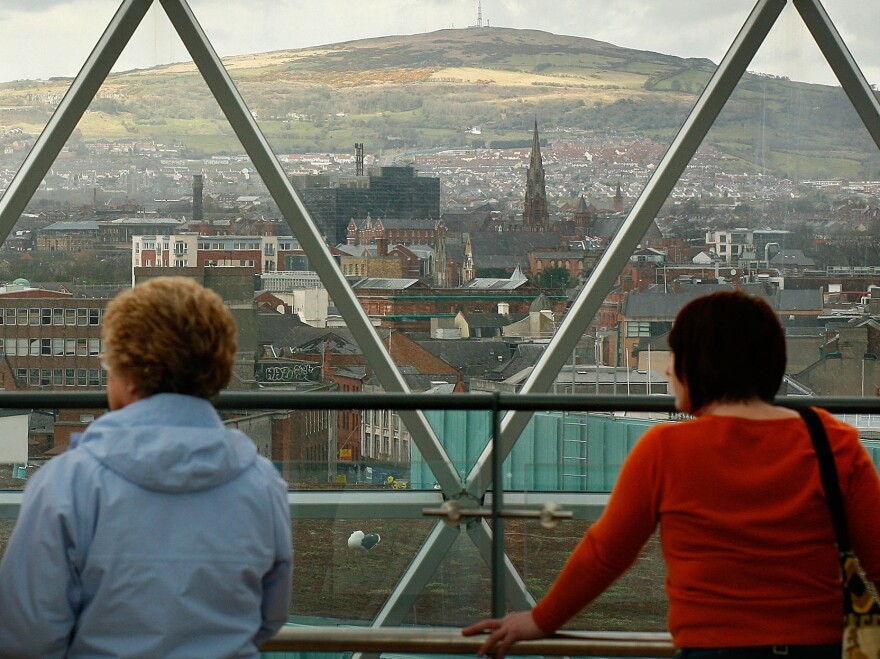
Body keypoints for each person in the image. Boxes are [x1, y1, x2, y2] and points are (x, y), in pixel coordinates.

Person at [463, 290, 880, 658]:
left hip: (713, 647)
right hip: (820, 647)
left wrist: (541, 620)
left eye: (675, 357)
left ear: (699, 365)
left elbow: (606, 554)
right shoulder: (833, 441)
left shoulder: (666, 450)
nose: (666, 370)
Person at [0, 277, 292, 658]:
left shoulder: (66, 485)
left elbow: (24, 636)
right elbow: (270, 618)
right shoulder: (262, 484)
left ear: (128, 373)